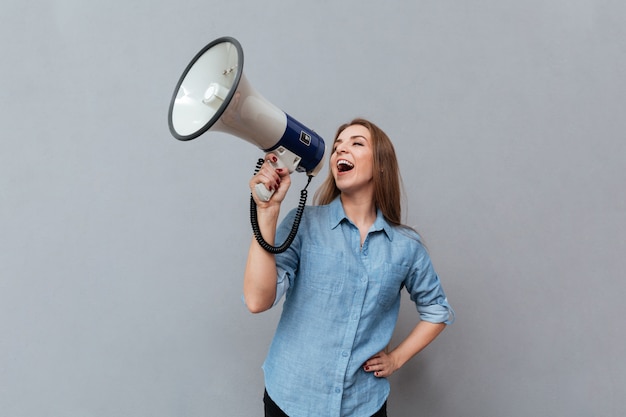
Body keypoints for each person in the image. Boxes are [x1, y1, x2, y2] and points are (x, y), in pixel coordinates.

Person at [244, 118, 455, 417]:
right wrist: (267, 212)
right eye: (337, 146)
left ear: (381, 164)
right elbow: (257, 300)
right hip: (290, 399)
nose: (341, 150)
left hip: (363, 406)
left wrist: (395, 359)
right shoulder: (303, 223)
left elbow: (437, 310)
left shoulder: (406, 246)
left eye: (357, 143)